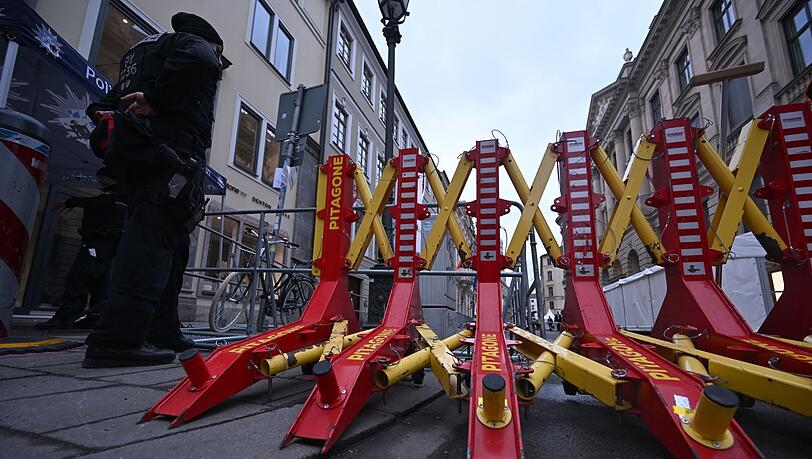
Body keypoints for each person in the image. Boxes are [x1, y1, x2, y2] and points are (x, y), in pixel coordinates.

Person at [82, 12, 223, 368]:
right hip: (171, 155)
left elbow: (104, 104)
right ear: (211, 41)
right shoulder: (190, 44)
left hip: (149, 155)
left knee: (168, 246)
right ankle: (117, 340)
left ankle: (161, 329)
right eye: (219, 53)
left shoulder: (141, 52)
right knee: (151, 245)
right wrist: (159, 101)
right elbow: (201, 58)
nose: (217, 63)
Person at [35, 168, 127, 330]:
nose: (100, 181)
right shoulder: (118, 197)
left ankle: (66, 316)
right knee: (100, 282)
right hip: (105, 246)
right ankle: (95, 317)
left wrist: (73, 201)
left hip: (98, 244)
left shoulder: (116, 198)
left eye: (103, 177)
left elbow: (101, 204)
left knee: (78, 278)